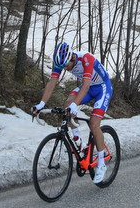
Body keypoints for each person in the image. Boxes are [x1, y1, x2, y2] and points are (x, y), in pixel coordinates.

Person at [31, 42, 113, 184]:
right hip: (88, 86)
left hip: (102, 87)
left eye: (67, 66)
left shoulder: (86, 58)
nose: (65, 69)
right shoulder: (61, 61)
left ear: (72, 58)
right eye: (62, 67)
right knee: (67, 106)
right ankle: (78, 142)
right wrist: (41, 104)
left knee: (94, 124)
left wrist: (76, 105)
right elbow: (52, 82)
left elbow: (86, 85)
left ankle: (101, 163)